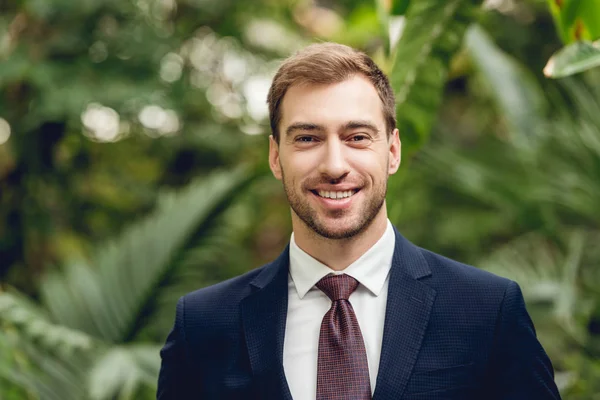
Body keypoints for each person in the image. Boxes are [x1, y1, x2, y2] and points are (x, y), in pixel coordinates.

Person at [157, 42, 561, 400]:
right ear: (276, 157)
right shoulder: (204, 325)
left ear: (393, 151)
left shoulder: (486, 311)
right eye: (307, 138)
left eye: (357, 137)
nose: (335, 166)